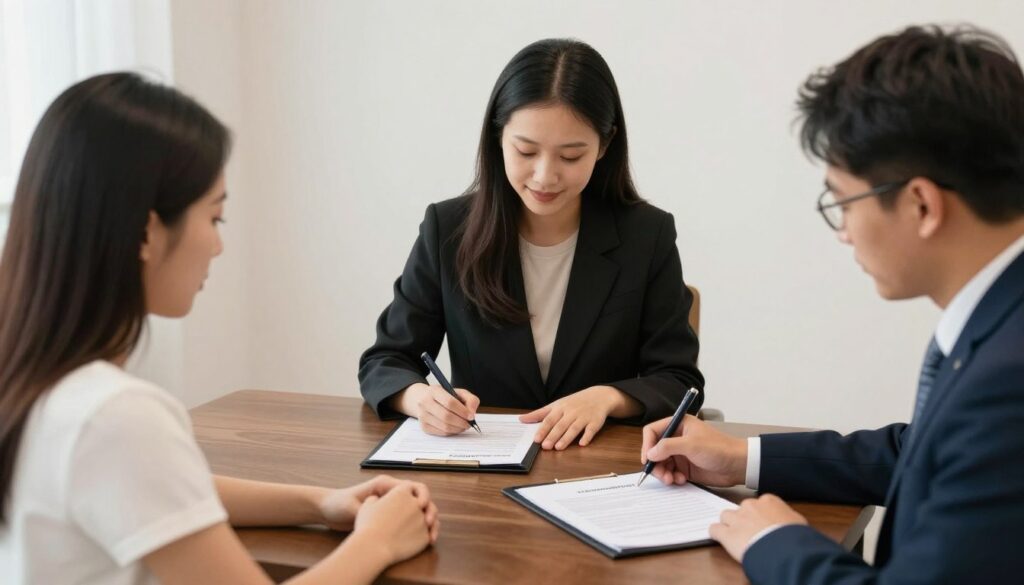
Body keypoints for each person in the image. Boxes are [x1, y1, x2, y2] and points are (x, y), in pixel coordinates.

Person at [0, 73, 438, 585]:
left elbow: (166, 489)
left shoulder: (38, 381)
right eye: (216, 218)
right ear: (146, 230)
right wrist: (377, 541)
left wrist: (322, 502)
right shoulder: (115, 416)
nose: (218, 245)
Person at [640, 25, 1024, 584]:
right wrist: (743, 456)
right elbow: (918, 452)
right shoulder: (998, 319)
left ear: (921, 204)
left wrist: (777, 542)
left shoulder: (1008, 383)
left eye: (843, 202)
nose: (843, 232)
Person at [359, 38, 704, 450]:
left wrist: (609, 398)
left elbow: (680, 381)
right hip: (482, 472)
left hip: (599, 470)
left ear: (605, 146)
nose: (544, 176)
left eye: (571, 157)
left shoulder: (646, 235)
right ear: (498, 138)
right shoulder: (447, 229)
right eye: (526, 151)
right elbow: (385, 361)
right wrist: (419, 399)